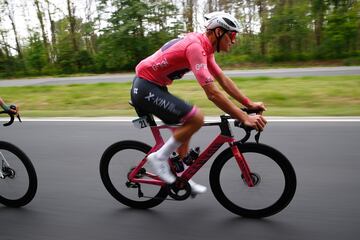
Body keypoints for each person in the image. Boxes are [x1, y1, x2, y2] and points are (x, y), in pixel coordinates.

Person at [130, 11, 267, 194]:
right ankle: (159, 158)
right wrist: (243, 117)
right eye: (232, 35)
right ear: (219, 32)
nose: (233, 41)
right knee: (196, 118)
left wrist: (248, 104)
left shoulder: (205, 48)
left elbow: (223, 80)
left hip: (155, 86)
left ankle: (180, 179)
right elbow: (212, 93)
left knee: (186, 126)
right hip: (145, 88)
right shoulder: (196, 47)